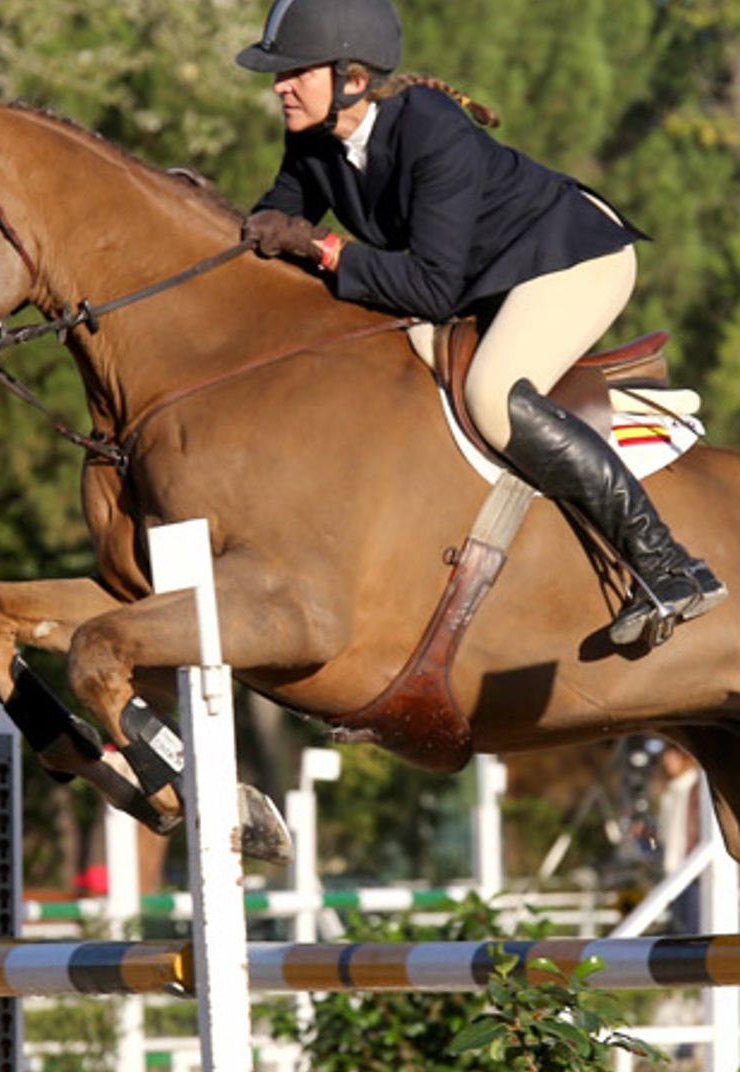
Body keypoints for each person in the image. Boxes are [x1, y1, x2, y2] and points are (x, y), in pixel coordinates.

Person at [233, 0, 725, 646]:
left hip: (570, 257)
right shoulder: (313, 142)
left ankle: (669, 565)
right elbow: (275, 221)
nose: (281, 85)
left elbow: (432, 289)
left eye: (296, 71)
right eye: (280, 73)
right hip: (485, 277)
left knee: (492, 394)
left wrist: (322, 248)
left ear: (352, 79)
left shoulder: (429, 130)